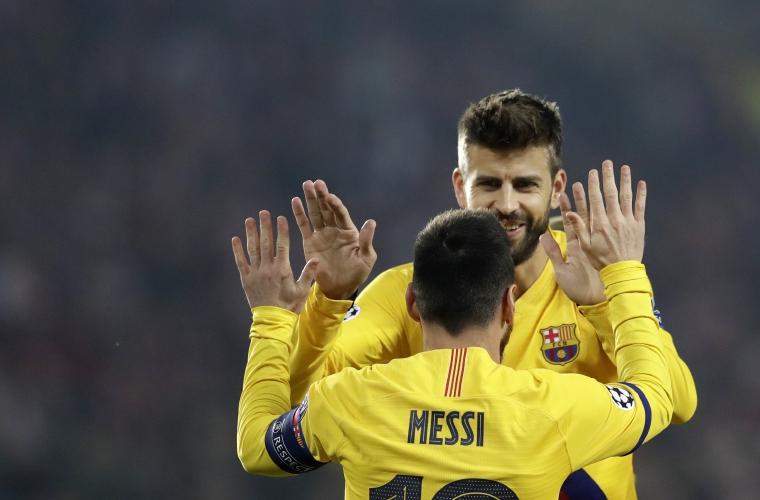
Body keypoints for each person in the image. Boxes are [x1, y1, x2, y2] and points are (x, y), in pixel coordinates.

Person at [287, 89, 697, 498]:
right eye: (489, 184)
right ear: (459, 186)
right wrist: (330, 300)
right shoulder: (412, 291)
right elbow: (300, 399)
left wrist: (602, 305)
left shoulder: (601, 274)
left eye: (525, 185)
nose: (507, 204)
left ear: (556, 188)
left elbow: (679, 401)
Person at [233, 170, 673, 499]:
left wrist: (272, 320)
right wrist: (623, 275)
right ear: (509, 306)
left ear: (412, 302)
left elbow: (256, 448)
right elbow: (656, 394)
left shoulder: (347, 400)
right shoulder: (554, 409)